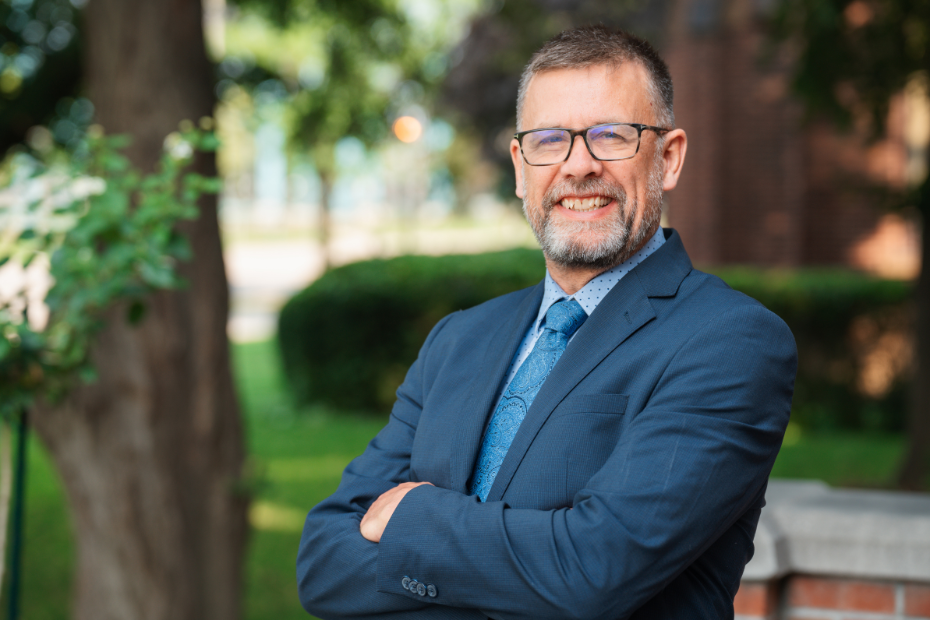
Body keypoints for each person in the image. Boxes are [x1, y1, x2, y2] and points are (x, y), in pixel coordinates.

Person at [297, 24, 796, 620]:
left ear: (668, 158)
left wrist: (415, 518)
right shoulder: (458, 339)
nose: (578, 166)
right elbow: (324, 564)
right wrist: (523, 579)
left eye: (612, 135)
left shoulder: (729, 342)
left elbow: (595, 572)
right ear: (519, 166)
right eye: (550, 139)